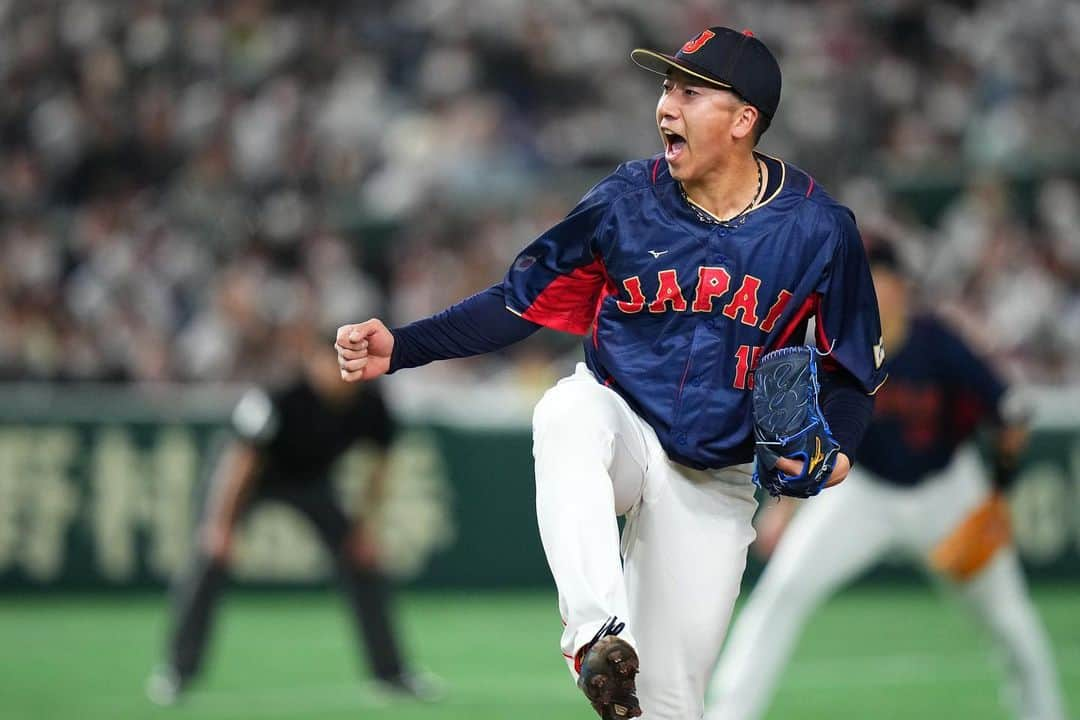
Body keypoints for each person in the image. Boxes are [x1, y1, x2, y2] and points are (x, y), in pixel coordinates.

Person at [334, 26, 886, 720]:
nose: (665, 107)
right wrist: (404, 346)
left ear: (744, 120)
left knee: (665, 706)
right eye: (665, 87)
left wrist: (835, 451)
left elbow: (850, 369)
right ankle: (594, 634)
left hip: (714, 479)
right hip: (620, 422)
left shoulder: (817, 228)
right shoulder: (628, 197)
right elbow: (518, 301)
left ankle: (620, 678)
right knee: (566, 412)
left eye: (690, 92)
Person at [704, 241, 1067, 720]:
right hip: (863, 494)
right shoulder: (836, 349)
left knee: (1010, 622)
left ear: (904, 289)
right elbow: (813, 435)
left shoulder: (937, 342)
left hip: (949, 491)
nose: (871, 295)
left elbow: (1011, 414)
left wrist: (996, 498)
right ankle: (728, 714)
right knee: (782, 592)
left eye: (880, 283)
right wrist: (784, 508)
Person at [147, 326, 438, 706]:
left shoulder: (370, 401)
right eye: (334, 359)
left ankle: (391, 674)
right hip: (252, 482)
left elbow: (380, 468)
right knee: (208, 560)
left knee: (361, 561)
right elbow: (241, 461)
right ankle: (177, 671)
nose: (342, 370)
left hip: (311, 484)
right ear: (313, 361)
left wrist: (366, 528)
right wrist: (220, 526)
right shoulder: (279, 396)